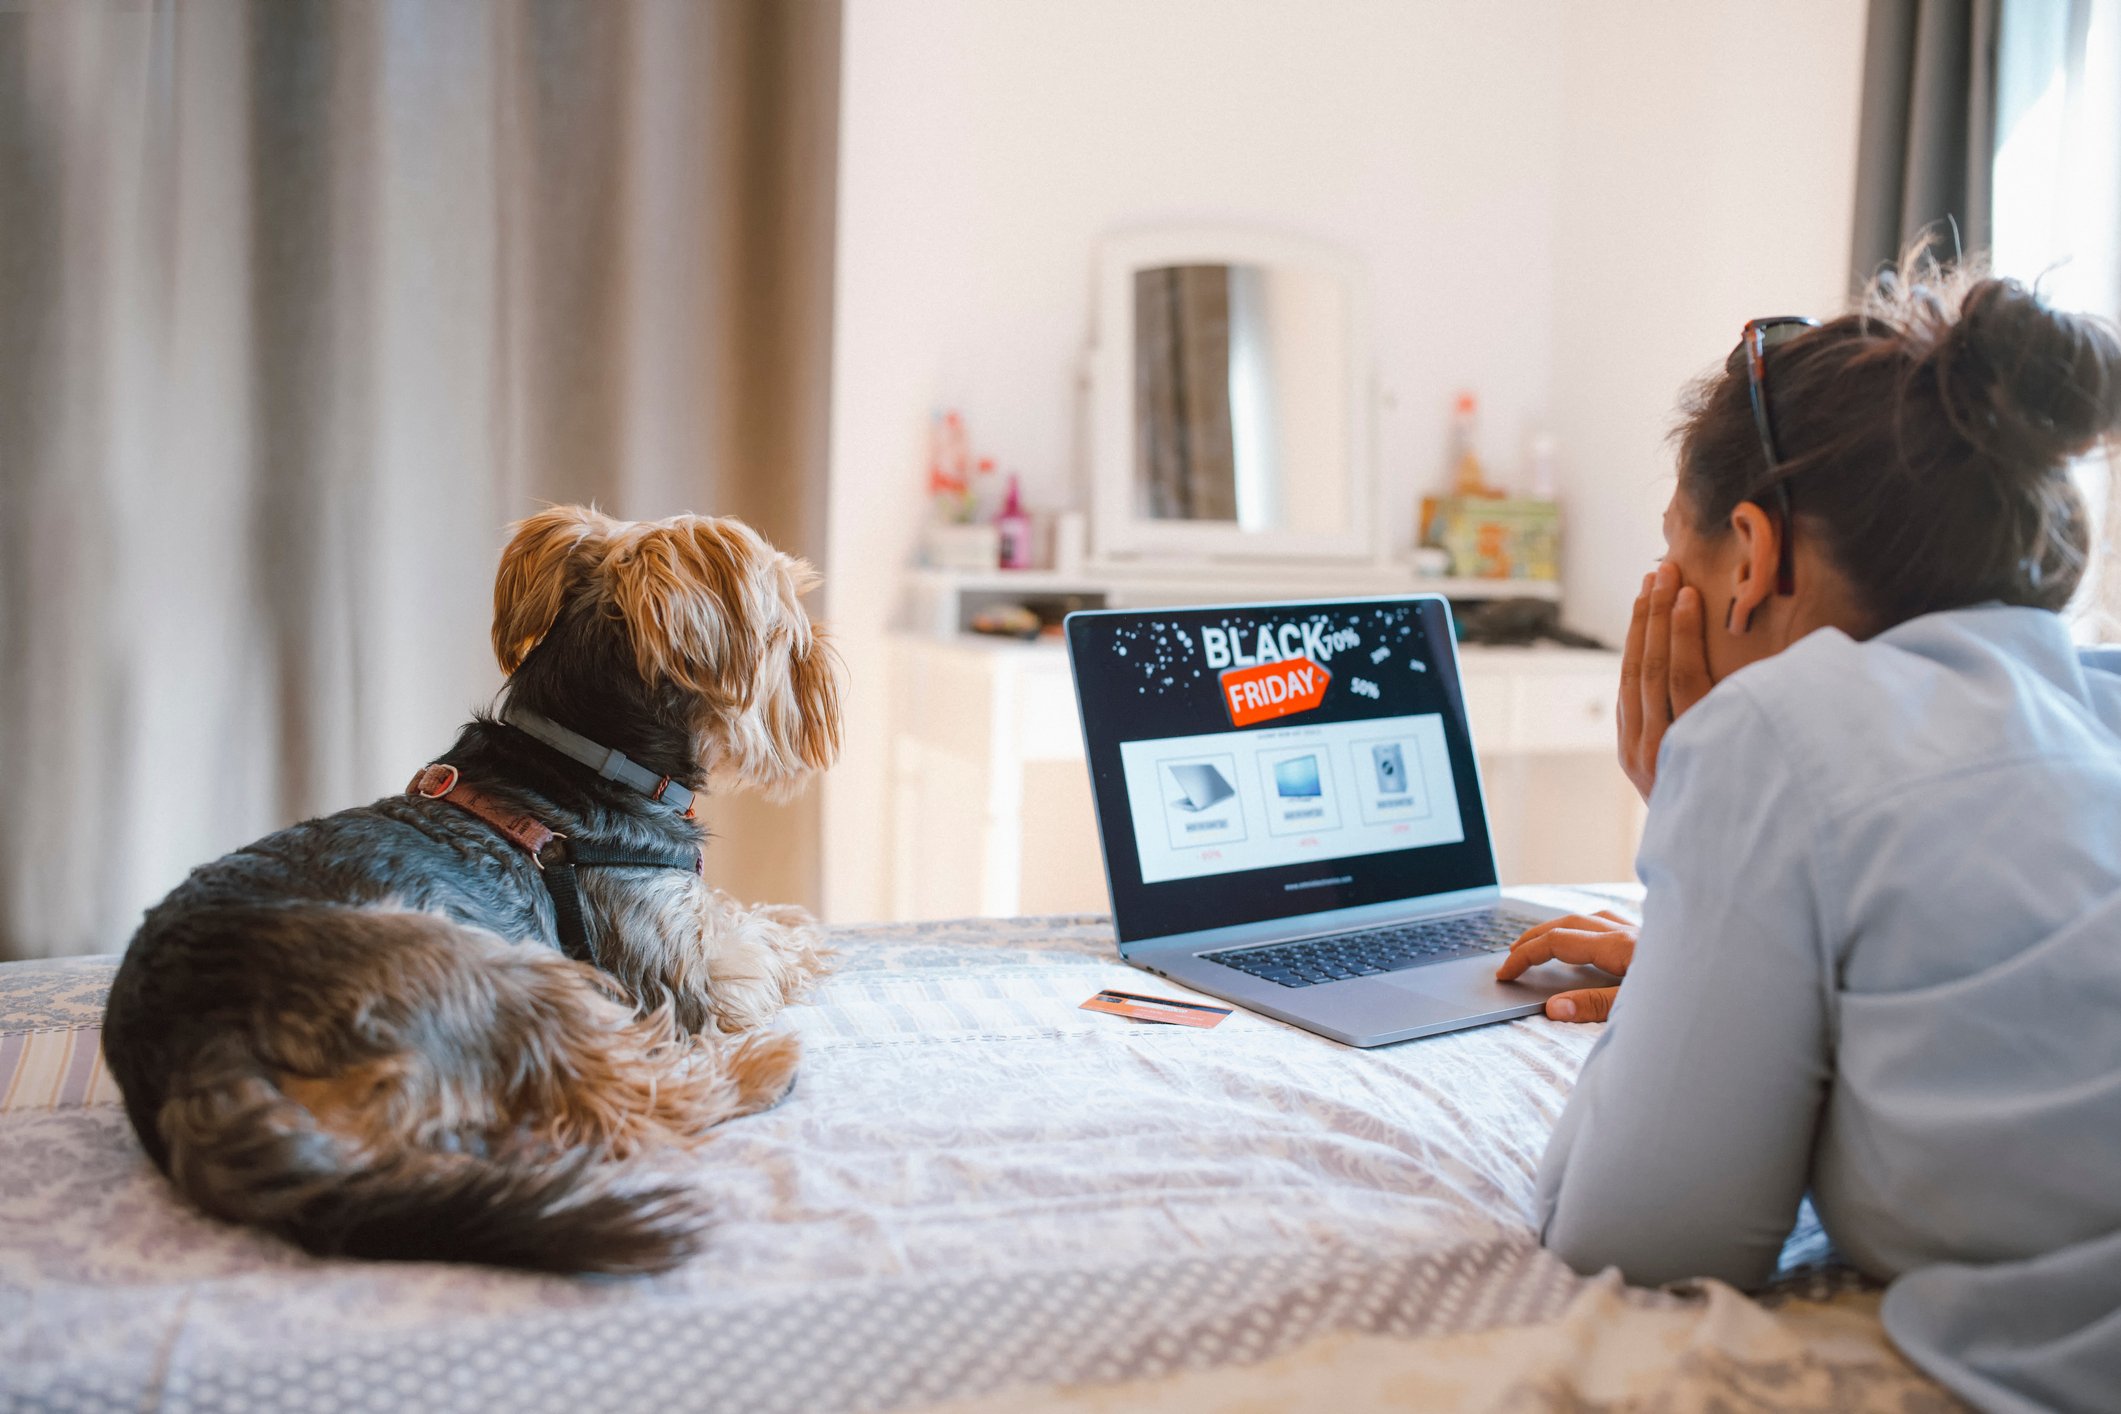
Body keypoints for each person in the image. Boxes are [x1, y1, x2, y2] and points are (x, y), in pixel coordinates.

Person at [1494, 260, 2121, 1414]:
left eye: (1670, 556)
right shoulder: (2097, 702)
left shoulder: (1776, 737)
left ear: (1752, 553)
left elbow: (1636, 1233)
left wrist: (1691, 810)